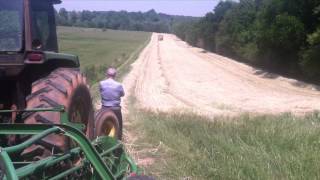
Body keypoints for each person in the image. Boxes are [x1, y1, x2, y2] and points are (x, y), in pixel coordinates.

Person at [99, 67, 125, 136]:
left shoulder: (101, 83)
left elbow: (101, 92)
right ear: (115, 75)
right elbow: (122, 94)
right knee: (119, 124)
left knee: (101, 124)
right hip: (115, 108)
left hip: (104, 108)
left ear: (107, 74)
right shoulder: (119, 85)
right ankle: (118, 138)